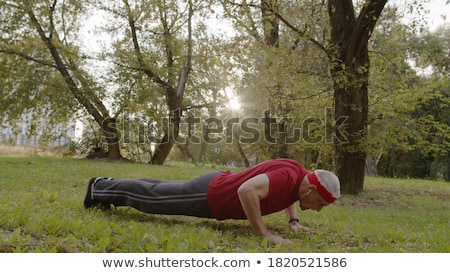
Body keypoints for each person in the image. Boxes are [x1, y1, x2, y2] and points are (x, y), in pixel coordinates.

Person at [83, 158, 340, 244]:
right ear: (310, 192)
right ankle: (98, 189)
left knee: (159, 189)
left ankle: (105, 185)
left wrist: (293, 221)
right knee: (154, 198)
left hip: (214, 186)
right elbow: (247, 191)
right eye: (320, 204)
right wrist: (264, 234)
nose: (317, 210)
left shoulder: (298, 176)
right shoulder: (288, 177)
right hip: (213, 195)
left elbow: (286, 194)